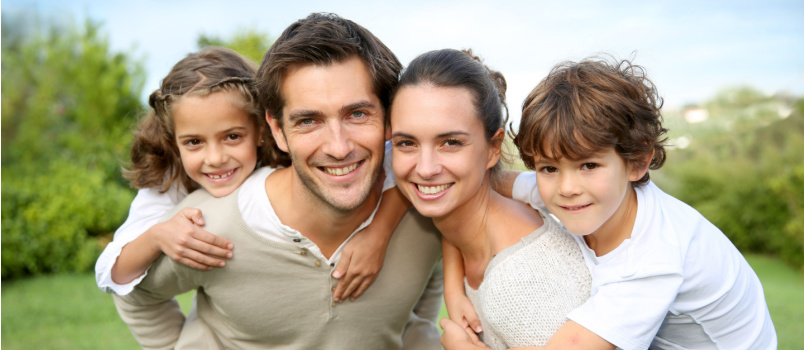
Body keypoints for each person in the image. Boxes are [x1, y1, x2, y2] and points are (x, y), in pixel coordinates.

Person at [113, 13, 443, 350]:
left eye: (357, 114)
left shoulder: (428, 208)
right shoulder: (204, 228)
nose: (339, 147)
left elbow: (430, 271)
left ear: (390, 117)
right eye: (308, 120)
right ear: (276, 129)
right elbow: (134, 294)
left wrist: (415, 334)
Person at [442, 56, 778, 349]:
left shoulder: (651, 260)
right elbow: (467, 190)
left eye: (589, 165)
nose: (567, 187)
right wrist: (454, 290)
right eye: (548, 168)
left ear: (637, 163)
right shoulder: (575, 190)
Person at [95, 47, 408, 303]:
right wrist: (157, 235)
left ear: (262, 129)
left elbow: (397, 159)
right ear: (173, 141)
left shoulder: (295, 150)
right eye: (194, 142)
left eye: (232, 137)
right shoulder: (169, 181)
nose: (215, 159)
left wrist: (377, 235)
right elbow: (112, 273)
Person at [390, 48, 591, 350]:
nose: (425, 168)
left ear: (494, 148)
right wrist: (453, 290)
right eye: (407, 143)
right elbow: (454, 228)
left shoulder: (521, 282)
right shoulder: (478, 221)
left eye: (451, 142)